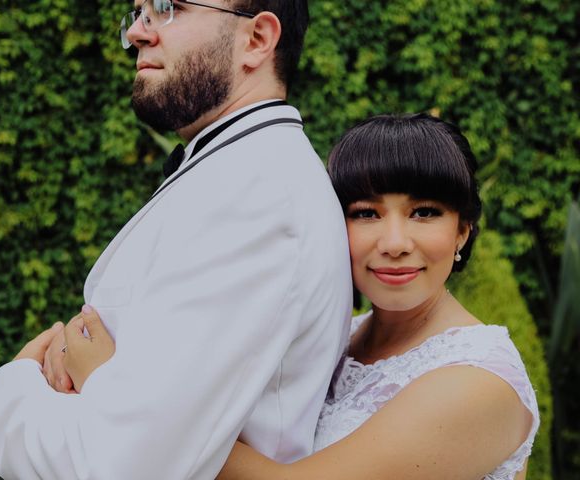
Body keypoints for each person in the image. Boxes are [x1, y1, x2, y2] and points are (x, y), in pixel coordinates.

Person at [0, 1, 352, 479]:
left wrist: (12, 388)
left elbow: (114, 467)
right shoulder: (234, 172)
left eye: (170, 7)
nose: (136, 34)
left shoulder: (256, 198)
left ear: (256, 40)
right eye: (138, 11)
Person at [214, 113, 540, 479]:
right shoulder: (336, 336)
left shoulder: (479, 380)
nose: (395, 244)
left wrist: (174, 421)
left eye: (424, 212)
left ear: (462, 231)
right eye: (367, 213)